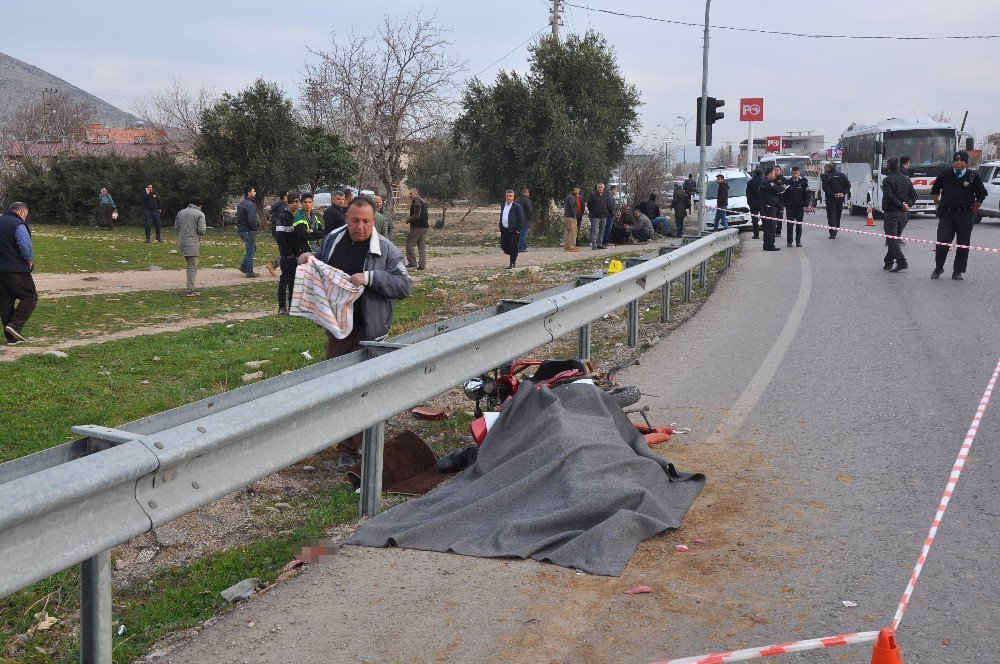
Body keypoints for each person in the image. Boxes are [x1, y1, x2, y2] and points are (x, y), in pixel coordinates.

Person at [300, 197, 412, 471]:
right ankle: (346, 449)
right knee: (339, 388)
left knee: (365, 390)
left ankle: (362, 444)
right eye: (354, 220)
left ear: (374, 221)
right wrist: (309, 258)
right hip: (339, 329)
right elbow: (320, 259)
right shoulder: (333, 239)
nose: (360, 226)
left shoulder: (385, 250)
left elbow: (404, 286)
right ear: (346, 218)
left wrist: (371, 278)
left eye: (366, 221)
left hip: (370, 331)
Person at [930, 151, 987, 280]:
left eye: (961, 160)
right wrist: (937, 204)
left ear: (966, 162)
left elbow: (981, 195)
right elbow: (935, 190)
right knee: (942, 243)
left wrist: (973, 211)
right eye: (956, 160)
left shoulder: (973, 177)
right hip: (947, 214)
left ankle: (958, 271)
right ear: (953, 161)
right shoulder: (945, 174)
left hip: (965, 215)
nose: (958, 162)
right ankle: (938, 268)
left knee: (963, 244)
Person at [0, 202, 37, 343]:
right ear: (22, 212)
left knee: (5, 302)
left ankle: (11, 337)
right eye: (25, 216)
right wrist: (29, 260)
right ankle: (15, 325)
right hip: (15, 268)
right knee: (30, 297)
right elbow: (24, 244)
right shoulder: (18, 224)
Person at [881, 157, 916, 272]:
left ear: (888, 167)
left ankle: (901, 261)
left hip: (892, 213)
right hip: (904, 214)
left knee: (891, 239)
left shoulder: (887, 180)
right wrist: (907, 205)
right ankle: (888, 262)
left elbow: (889, 196)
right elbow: (914, 195)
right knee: (894, 239)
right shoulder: (906, 179)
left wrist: (902, 205)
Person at [274, 194, 301, 314]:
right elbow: (279, 237)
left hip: (297, 254)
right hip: (287, 255)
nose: (295, 204)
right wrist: (287, 252)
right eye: (293, 202)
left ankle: (292, 306)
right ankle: (282, 307)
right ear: (289, 203)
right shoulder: (282, 217)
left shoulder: (299, 216)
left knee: (293, 281)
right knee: (284, 280)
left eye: (297, 202)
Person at [175, 197, 207, 296]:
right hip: (192, 242)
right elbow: (202, 230)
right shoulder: (199, 214)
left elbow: (177, 227)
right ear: (199, 205)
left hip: (182, 241)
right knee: (193, 267)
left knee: (189, 266)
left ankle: (190, 287)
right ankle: (191, 290)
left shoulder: (181, 212)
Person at [782, 166, 811, 247]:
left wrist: (806, 204)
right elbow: (783, 195)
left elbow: (807, 194)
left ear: (799, 173)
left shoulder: (803, 183)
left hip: (799, 207)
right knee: (790, 225)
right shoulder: (788, 183)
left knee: (799, 225)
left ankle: (798, 241)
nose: (795, 175)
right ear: (791, 173)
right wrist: (784, 204)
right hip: (790, 207)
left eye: (796, 173)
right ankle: (789, 242)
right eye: (793, 173)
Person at [760, 168, 787, 251]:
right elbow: (778, 190)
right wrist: (783, 187)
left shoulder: (766, 181)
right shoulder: (768, 182)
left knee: (768, 227)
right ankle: (770, 245)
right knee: (771, 227)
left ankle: (766, 244)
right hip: (769, 207)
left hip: (767, 207)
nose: (774, 175)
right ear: (769, 174)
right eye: (773, 173)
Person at [236, 186, 261, 277]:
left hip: (242, 230)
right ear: (249, 193)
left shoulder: (242, 203)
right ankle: (249, 272)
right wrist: (254, 229)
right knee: (250, 250)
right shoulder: (250, 204)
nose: (255, 193)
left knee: (252, 248)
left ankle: (243, 266)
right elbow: (252, 220)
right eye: (254, 191)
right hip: (248, 230)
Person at [265, 191, 291, 278]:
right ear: (285, 197)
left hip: (277, 232)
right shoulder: (284, 207)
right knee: (287, 252)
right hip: (282, 233)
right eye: (289, 195)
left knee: (286, 252)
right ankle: (273, 265)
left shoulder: (278, 205)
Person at [821, 162, 850, 239]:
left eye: (828, 167)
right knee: (838, 214)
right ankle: (836, 229)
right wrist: (843, 193)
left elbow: (825, 188)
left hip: (831, 199)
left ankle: (832, 233)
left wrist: (834, 194)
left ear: (830, 168)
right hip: (840, 199)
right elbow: (848, 185)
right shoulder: (842, 175)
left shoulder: (827, 176)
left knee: (831, 216)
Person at [499, 190, 525, 269]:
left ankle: (512, 262)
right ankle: (513, 254)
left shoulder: (517, 206)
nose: (508, 198)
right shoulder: (503, 205)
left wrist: (518, 229)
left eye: (510, 196)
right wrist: (500, 225)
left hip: (514, 230)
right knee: (504, 246)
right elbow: (502, 215)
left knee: (513, 247)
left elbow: (521, 218)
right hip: (504, 230)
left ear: (513, 197)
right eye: (507, 196)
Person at [404, 187, 429, 270]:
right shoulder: (422, 201)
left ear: (416, 193)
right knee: (422, 246)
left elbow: (417, 215)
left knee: (409, 244)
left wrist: (408, 220)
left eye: (411, 193)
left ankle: (412, 263)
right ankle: (422, 265)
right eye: (409, 193)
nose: (409, 195)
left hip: (418, 226)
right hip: (425, 226)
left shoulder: (417, 202)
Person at [586, 183, 609, 250]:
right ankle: (594, 245)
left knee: (602, 230)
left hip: (604, 215)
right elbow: (589, 205)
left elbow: (607, 204)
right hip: (595, 216)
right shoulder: (593, 195)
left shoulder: (605, 195)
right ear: (597, 187)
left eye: (601, 187)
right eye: (599, 187)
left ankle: (599, 244)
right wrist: (593, 211)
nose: (600, 188)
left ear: (603, 188)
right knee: (595, 230)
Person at [563, 185, 584, 252]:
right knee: (573, 232)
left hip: (568, 217)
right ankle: (572, 247)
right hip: (571, 217)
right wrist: (574, 215)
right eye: (575, 190)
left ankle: (566, 246)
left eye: (577, 190)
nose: (576, 191)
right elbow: (571, 207)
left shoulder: (576, 197)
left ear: (579, 190)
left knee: (568, 232)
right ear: (572, 190)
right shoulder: (571, 197)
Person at [746, 168, 764, 239]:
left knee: (754, 219)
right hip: (762, 203)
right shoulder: (763, 181)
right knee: (764, 218)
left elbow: (748, 193)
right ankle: (765, 233)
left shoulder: (750, 182)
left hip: (753, 203)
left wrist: (749, 202)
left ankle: (756, 234)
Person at [516, 188, 533, 252]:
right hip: (524, 220)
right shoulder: (527, 201)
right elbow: (529, 211)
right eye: (528, 193)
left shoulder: (516, 200)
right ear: (526, 193)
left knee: (519, 234)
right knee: (522, 234)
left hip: (517, 220)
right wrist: (530, 218)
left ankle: (524, 246)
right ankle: (520, 248)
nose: (529, 194)